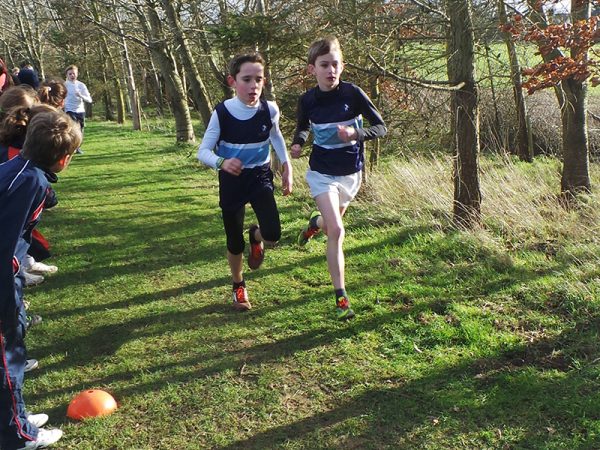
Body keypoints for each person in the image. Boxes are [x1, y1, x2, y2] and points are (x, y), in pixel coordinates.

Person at [0, 109, 81, 449]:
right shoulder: (29, 182)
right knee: (7, 355)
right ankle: (17, 436)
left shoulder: (22, 171)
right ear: (63, 159)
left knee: (13, 346)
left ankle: (16, 415)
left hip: (9, 275)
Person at [291, 37, 387, 320]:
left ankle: (314, 223)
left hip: (350, 174)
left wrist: (356, 133)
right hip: (322, 173)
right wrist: (298, 143)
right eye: (324, 65)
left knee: (330, 226)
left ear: (342, 66)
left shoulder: (352, 94)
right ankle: (341, 299)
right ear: (312, 69)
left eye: (335, 64)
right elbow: (303, 127)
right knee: (337, 231)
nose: (330, 70)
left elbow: (381, 127)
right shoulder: (307, 100)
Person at [197, 53, 293, 311]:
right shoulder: (222, 113)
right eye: (247, 79)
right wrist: (222, 162)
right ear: (233, 81)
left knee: (273, 233)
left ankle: (256, 235)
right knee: (234, 241)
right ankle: (238, 285)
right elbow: (202, 152)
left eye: (258, 79)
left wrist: (287, 166)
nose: (254, 86)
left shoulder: (270, 109)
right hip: (232, 180)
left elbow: (276, 136)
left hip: (260, 175)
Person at [64, 65, 92, 154]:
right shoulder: (64, 85)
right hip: (69, 109)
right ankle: (70, 147)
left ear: (77, 74)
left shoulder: (81, 85)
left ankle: (78, 147)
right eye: (70, 74)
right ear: (67, 75)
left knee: (80, 129)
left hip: (80, 110)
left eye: (74, 73)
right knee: (72, 128)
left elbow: (89, 100)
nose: (72, 75)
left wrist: (81, 95)